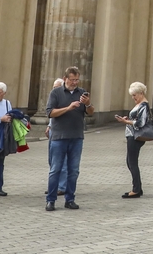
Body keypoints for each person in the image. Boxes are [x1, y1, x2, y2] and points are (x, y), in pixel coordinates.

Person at [45, 66, 94, 210]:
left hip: (76, 137)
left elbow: (91, 112)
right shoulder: (56, 93)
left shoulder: (81, 92)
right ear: (65, 79)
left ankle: (70, 199)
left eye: (77, 80)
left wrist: (87, 104)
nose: (75, 82)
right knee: (56, 169)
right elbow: (50, 113)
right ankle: (51, 200)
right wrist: (68, 108)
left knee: (74, 170)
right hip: (59, 137)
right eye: (72, 80)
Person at [114, 81, 149, 198]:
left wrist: (126, 121)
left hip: (135, 136)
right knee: (130, 162)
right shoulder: (140, 105)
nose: (133, 97)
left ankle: (136, 189)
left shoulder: (144, 105)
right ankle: (138, 187)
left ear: (141, 93)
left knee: (132, 162)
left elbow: (140, 123)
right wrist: (127, 119)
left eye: (135, 95)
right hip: (131, 135)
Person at [44, 79, 67, 197]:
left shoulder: (64, 99)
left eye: (57, 87)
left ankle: (62, 186)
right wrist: (49, 126)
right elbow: (51, 114)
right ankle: (54, 185)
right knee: (52, 160)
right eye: (53, 87)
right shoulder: (54, 97)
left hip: (62, 133)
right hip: (53, 130)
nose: (54, 89)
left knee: (61, 161)